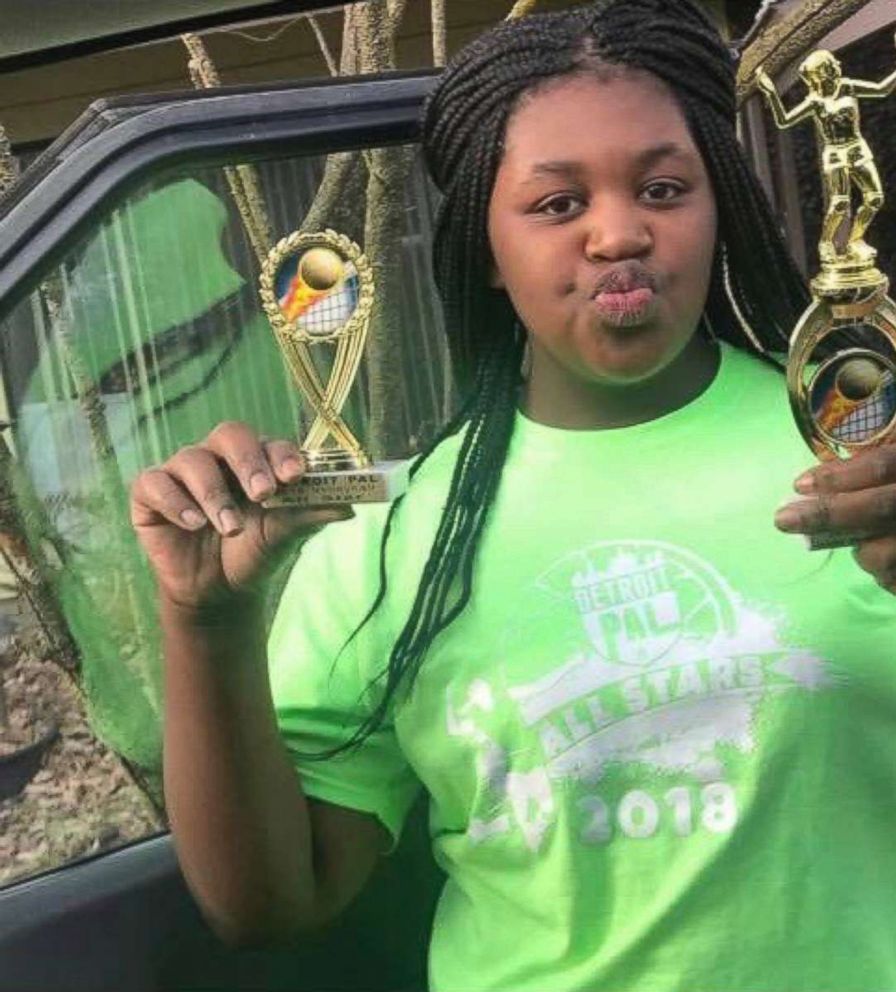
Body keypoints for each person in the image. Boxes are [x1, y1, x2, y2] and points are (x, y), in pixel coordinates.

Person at [131, 1, 896, 989]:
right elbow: (272, 902)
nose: (618, 232)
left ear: (720, 207)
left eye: (662, 187)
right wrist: (206, 624)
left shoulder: (862, 458)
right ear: (484, 250)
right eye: (555, 204)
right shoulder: (394, 534)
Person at [756, 40, 896, 265]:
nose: (831, 72)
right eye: (826, 70)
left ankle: (856, 240)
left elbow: (882, 89)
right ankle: (826, 241)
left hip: (857, 147)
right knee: (840, 202)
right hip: (835, 153)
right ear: (818, 76)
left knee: (875, 198)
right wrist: (771, 93)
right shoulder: (816, 101)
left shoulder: (848, 86)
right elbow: (784, 121)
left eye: (831, 67)